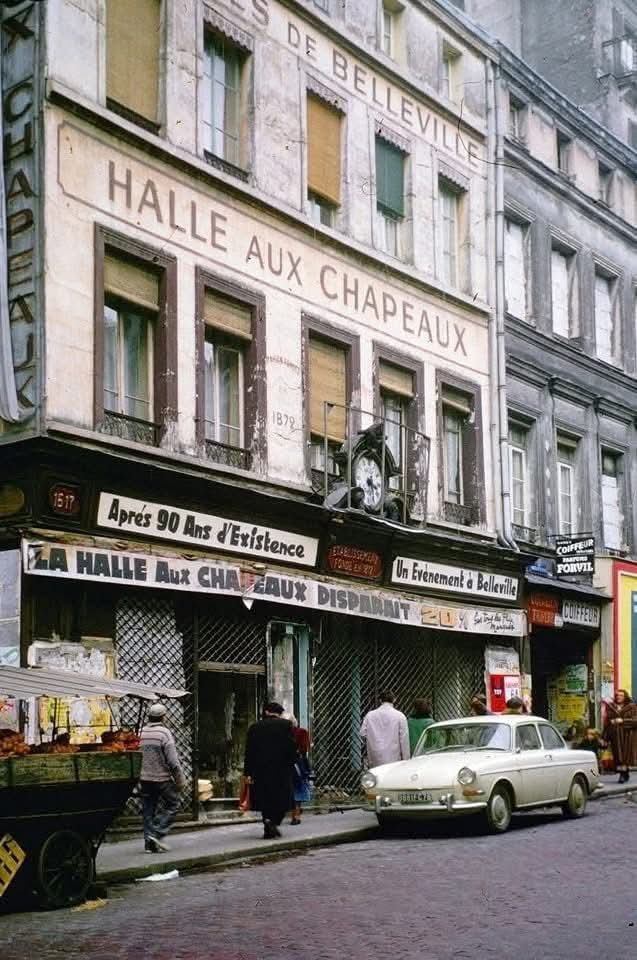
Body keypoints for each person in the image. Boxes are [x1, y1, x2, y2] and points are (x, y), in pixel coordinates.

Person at [244, 701, 297, 839]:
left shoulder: (254, 727)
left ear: (266, 712)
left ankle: (267, 820)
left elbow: (249, 752)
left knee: (265, 798)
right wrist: (293, 763)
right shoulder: (286, 725)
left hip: (261, 770)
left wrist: (248, 773)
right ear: (278, 713)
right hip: (282, 770)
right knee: (282, 799)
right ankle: (273, 821)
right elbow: (291, 748)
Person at [139, 702, 185, 854]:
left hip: (144, 778)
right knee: (174, 804)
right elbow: (172, 761)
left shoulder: (141, 732)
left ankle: (148, 845)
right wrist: (180, 779)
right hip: (161, 779)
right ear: (163, 717)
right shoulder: (164, 733)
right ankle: (157, 833)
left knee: (148, 810)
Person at [360, 691, 409, 767]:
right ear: (394, 700)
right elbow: (404, 739)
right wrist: (406, 759)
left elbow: (362, 733)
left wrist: (373, 738)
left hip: (375, 756)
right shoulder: (400, 716)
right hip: (394, 757)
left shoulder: (370, 715)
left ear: (380, 700)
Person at [283, 713, 312, 826]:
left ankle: (296, 814)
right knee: (293, 788)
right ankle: (295, 812)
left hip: (295, 764)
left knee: (297, 787)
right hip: (287, 763)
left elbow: (304, 749)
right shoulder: (282, 733)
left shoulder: (301, 732)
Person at [603, 689, 637, 783]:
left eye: (621, 695)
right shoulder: (611, 707)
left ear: (625, 696)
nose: (618, 697)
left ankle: (624, 774)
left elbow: (635, 721)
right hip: (615, 736)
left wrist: (623, 721)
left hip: (627, 736)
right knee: (618, 756)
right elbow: (607, 722)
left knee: (625, 756)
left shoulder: (632, 707)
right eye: (617, 695)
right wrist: (605, 737)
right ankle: (624, 773)